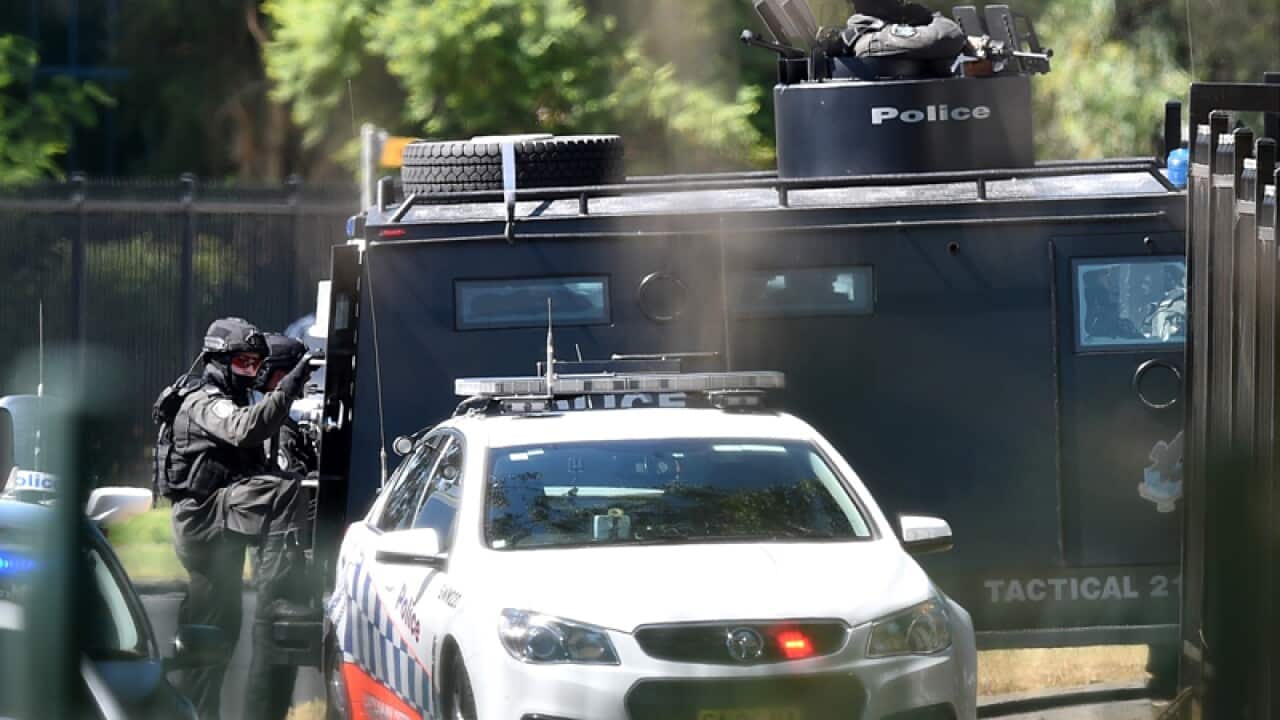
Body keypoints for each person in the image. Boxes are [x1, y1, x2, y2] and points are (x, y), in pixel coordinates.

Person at [162, 317, 318, 720]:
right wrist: (287, 390)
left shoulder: (234, 398)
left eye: (255, 364)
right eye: (242, 364)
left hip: (223, 520)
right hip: (203, 520)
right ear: (217, 360)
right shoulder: (203, 401)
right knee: (205, 651)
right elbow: (245, 429)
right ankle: (280, 582)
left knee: (219, 632)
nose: (250, 373)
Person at [258, 333, 318, 475]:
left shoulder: (279, 423)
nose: (307, 377)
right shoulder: (276, 435)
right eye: (302, 372)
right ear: (280, 377)